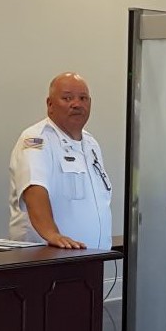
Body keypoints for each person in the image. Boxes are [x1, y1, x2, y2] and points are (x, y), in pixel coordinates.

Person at [8, 72, 113, 249]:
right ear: (50, 104)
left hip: (90, 259)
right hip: (48, 258)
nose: (76, 104)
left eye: (83, 98)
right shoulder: (36, 139)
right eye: (67, 98)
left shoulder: (91, 144)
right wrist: (52, 234)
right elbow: (34, 189)